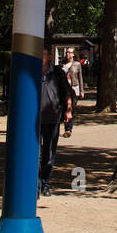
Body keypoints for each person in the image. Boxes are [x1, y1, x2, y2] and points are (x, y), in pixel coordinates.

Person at [38, 46, 72, 195]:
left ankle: (45, 183)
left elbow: (66, 91)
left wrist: (68, 110)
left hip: (53, 117)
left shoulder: (57, 73)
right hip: (35, 118)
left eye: (44, 54)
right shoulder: (33, 71)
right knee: (36, 152)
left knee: (49, 152)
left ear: (49, 56)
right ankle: (36, 184)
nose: (42, 57)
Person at [61, 46, 84, 124]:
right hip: (64, 88)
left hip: (74, 87)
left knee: (72, 107)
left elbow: (80, 77)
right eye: (66, 52)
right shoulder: (63, 64)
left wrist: (81, 91)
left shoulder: (77, 64)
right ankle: (66, 124)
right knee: (65, 106)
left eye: (69, 52)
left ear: (73, 54)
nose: (67, 54)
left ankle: (69, 127)